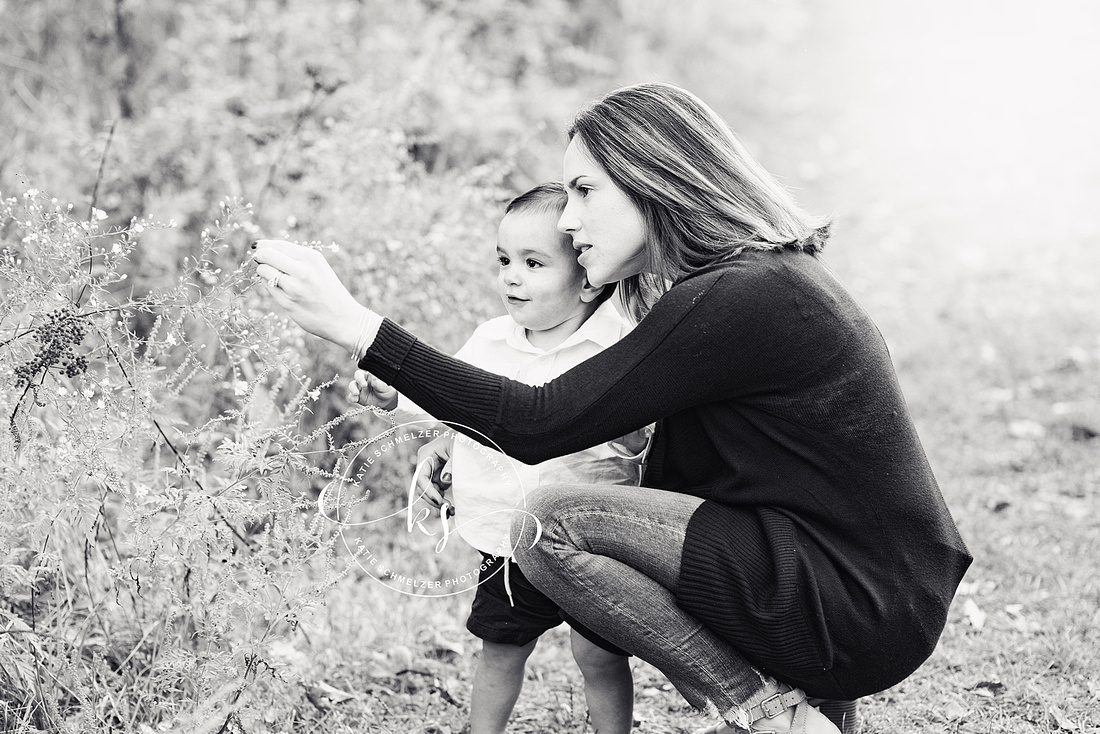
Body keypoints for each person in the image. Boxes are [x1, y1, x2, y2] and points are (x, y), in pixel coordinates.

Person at [252, 82, 972, 734]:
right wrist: (455, 434)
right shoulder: (744, 284)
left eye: (584, 191)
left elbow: (541, 422)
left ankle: (768, 710)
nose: (566, 221)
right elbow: (617, 438)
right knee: (585, 508)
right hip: (853, 592)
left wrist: (359, 328)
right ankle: (811, 709)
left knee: (547, 521)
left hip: (855, 601)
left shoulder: (740, 294)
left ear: (651, 175)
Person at [347, 182, 650, 734]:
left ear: (588, 279)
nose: (511, 275)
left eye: (534, 263)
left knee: (601, 658)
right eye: (504, 260)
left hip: (591, 544)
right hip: (506, 541)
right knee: (500, 649)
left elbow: (647, 430)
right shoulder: (491, 341)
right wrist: (396, 394)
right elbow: (449, 396)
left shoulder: (616, 348)